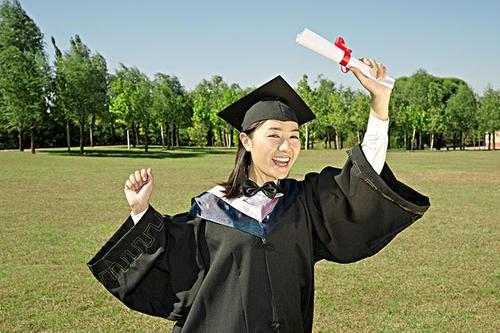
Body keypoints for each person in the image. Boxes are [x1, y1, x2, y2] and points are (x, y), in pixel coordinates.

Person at [87, 58, 430, 333]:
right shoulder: (210, 209)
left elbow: (357, 182)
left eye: (294, 136)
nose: (287, 147)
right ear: (247, 142)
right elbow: (172, 269)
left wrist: (379, 104)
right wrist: (140, 211)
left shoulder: (304, 202)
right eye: (274, 135)